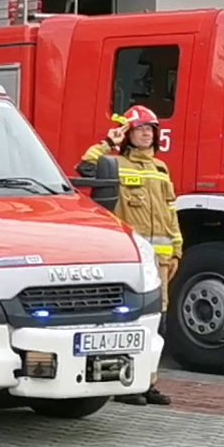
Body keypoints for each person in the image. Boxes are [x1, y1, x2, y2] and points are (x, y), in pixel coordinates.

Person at [76, 104, 180, 406]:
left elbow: (170, 214)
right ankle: (125, 385)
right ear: (129, 135)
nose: (146, 134)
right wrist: (110, 140)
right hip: (130, 262)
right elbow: (85, 167)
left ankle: (147, 383)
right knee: (131, 324)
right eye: (140, 129)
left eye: (150, 129)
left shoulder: (161, 169)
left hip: (159, 264)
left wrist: (176, 251)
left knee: (156, 325)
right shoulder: (114, 164)